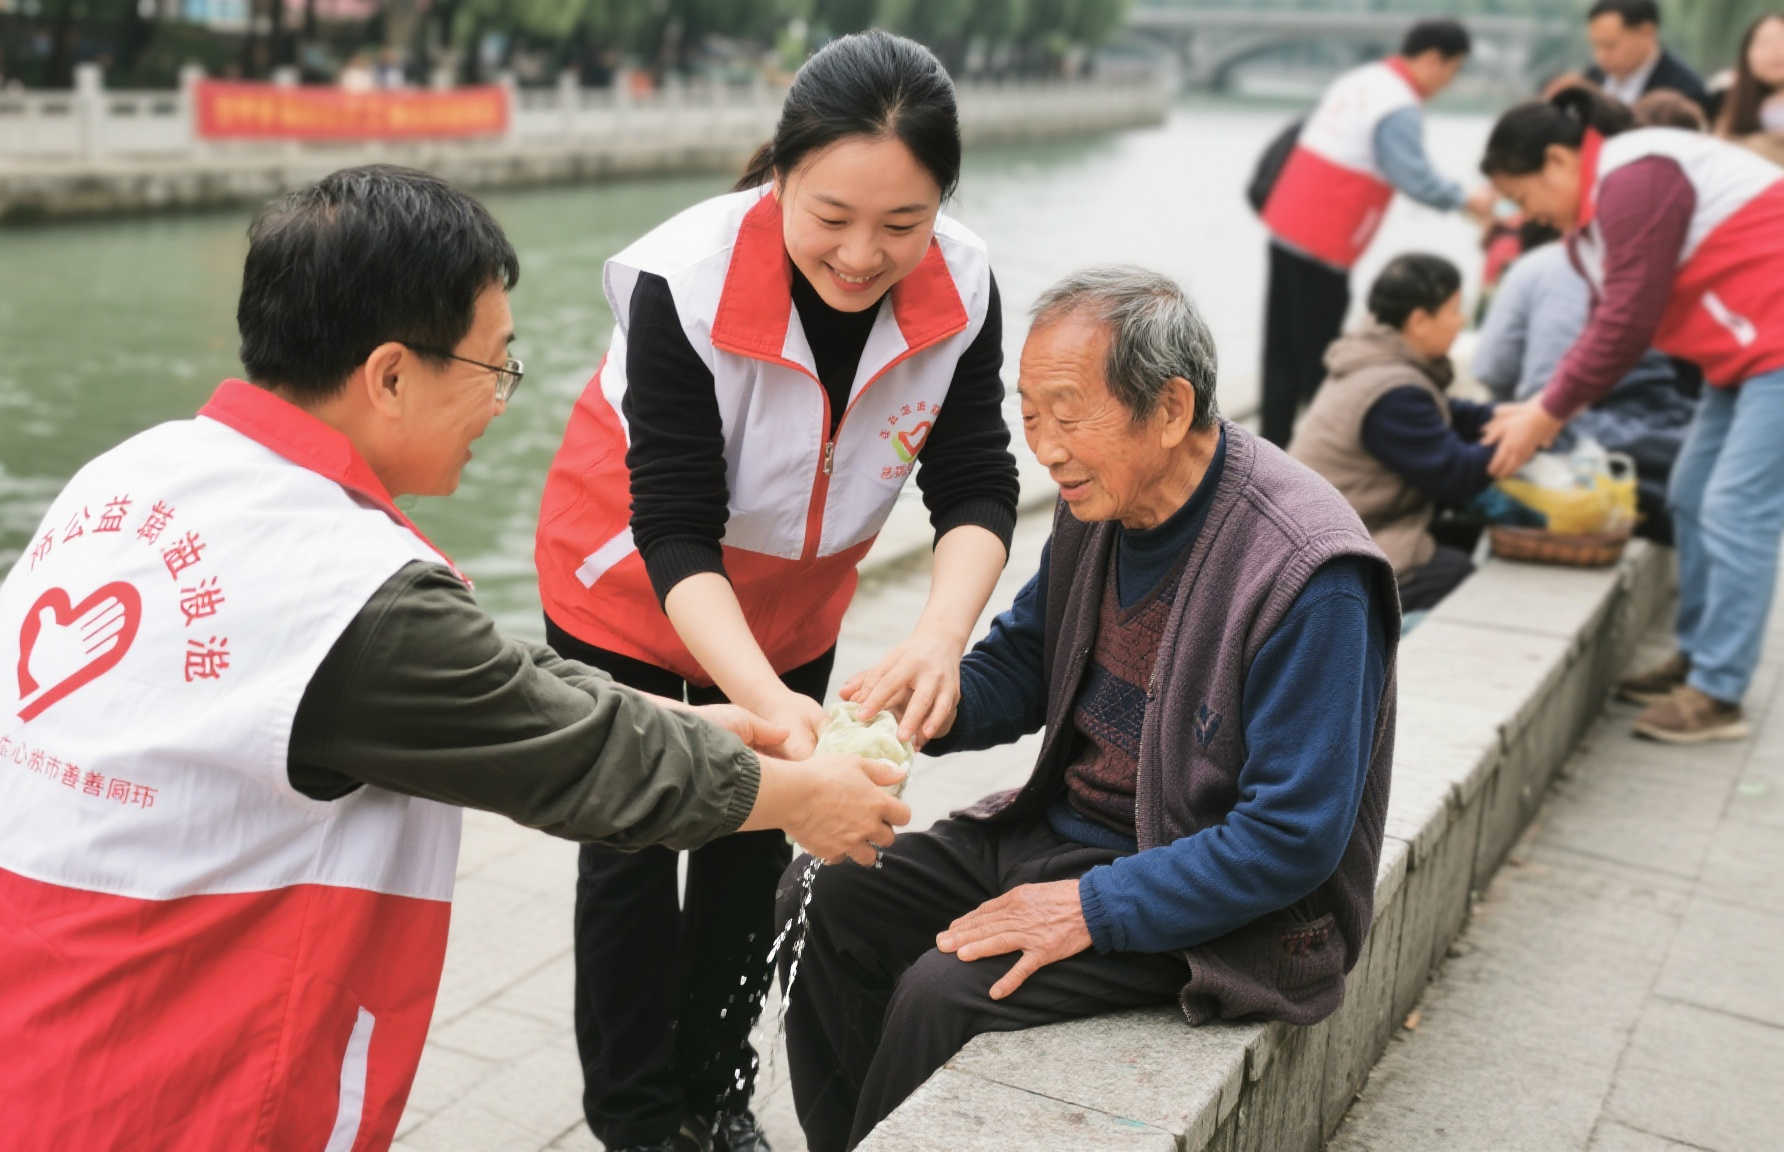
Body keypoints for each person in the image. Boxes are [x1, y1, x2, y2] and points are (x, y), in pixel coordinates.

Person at [0, 166, 911, 1152]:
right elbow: (580, 759)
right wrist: (799, 797)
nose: (500, 401)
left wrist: (689, 722)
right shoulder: (339, 581)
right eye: (494, 365)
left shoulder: (141, 473)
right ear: (392, 375)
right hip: (135, 1093)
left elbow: (466, 683)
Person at [779, 266, 1399, 1152]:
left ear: (1171, 408)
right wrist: (919, 706)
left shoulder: (1309, 571)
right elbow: (1027, 662)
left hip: (1212, 895)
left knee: (941, 992)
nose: (1045, 448)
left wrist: (1090, 908)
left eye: (1067, 416)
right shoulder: (1101, 501)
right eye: (1029, 415)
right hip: (1062, 834)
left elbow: (1292, 840)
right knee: (824, 895)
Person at [534, 30, 1020, 1152]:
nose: (861, 255)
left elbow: (976, 482)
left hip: (793, 598)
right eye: (830, 216)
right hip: (630, 582)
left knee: (755, 849)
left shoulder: (964, 283)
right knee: (636, 844)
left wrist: (940, 639)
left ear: (942, 205)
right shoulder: (684, 279)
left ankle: (714, 1095)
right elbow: (672, 525)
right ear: (780, 174)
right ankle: (637, 1123)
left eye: (902, 224)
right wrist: (770, 712)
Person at [1479, 88, 1784, 744]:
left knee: (1736, 506)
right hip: (1746, 349)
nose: (1524, 215)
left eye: (1522, 195)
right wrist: (1542, 405)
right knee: (1691, 491)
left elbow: (1627, 323)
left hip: (1773, 342)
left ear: (1558, 160)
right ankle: (1699, 659)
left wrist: (1547, 412)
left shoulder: (1636, 175)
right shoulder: (1592, 219)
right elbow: (1607, 327)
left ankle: (1719, 692)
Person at [1256, 18, 1494, 448]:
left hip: (1289, 220)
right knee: (1321, 354)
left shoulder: (1364, 79)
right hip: (1326, 236)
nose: (1448, 83)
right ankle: (1324, 451)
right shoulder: (1398, 105)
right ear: (1434, 59)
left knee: (1281, 350)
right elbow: (1413, 175)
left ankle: (1273, 445)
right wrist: (1467, 201)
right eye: (1453, 70)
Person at [1291, 254, 1488, 613]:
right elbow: (1457, 475)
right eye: (1454, 310)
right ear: (1419, 321)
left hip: (1331, 534)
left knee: (1463, 531)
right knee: (1459, 574)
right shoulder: (1392, 392)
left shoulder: (1376, 361)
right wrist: (1519, 440)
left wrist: (1514, 418)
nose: (1461, 322)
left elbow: (1448, 414)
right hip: (1330, 556)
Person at [1473, 231, 1694, 550]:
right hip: (1650, 421)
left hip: (1565, 425)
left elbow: (1492, 369)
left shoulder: (1536, 267)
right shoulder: (1648, 264)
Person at [1581, 0, 1711, 111]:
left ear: (1647, 31)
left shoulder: (1684, 91)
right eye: (1595, 45)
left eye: (1610, 45)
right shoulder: (1591, 80)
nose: (1600, 56)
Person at [1716, 10, 1784, 166]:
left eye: (1782, 40)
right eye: (1765, 43)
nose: (1776, 51)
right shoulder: (1734, 107)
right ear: (1746, 55)